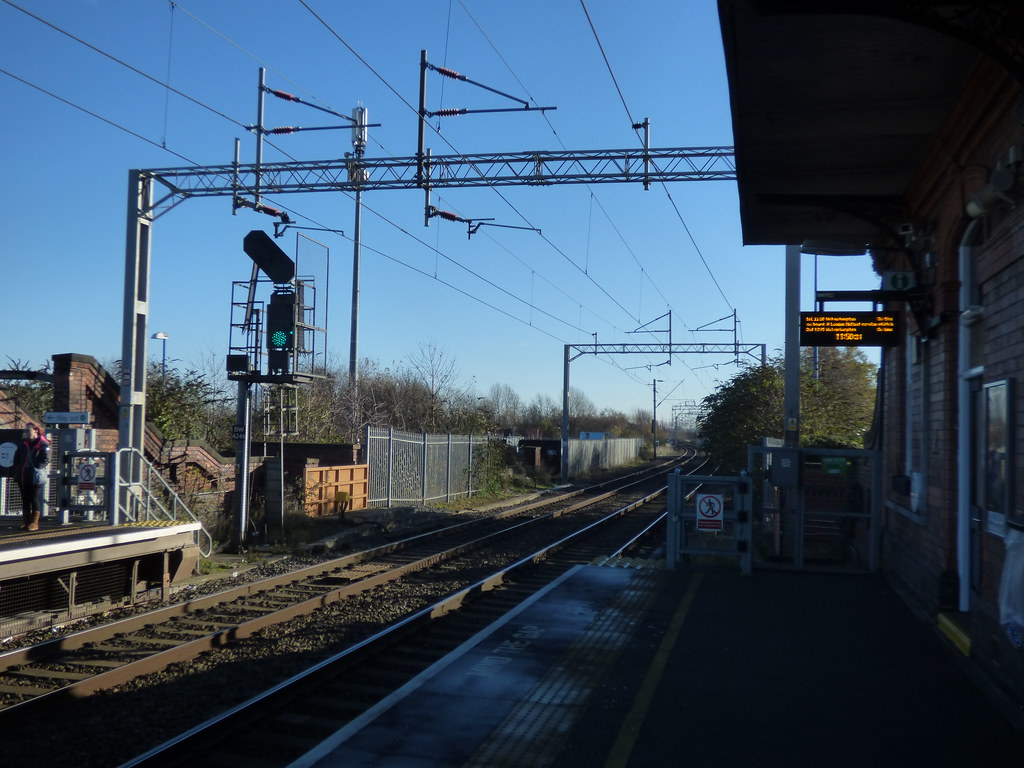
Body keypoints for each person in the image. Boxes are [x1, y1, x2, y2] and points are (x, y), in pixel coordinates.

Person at [14, 423, 49, 531]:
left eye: (28, 430)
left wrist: (36, 466)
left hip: (35, 475)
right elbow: (17, 456)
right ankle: (26, 521)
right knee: (25, 498)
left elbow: (46, 459)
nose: (26, 433)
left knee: (34, 497)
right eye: (25, 431)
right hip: (23, 474)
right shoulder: (23, 444)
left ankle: (34, 522)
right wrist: (17, 467)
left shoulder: (43, 443)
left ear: (35, 430)